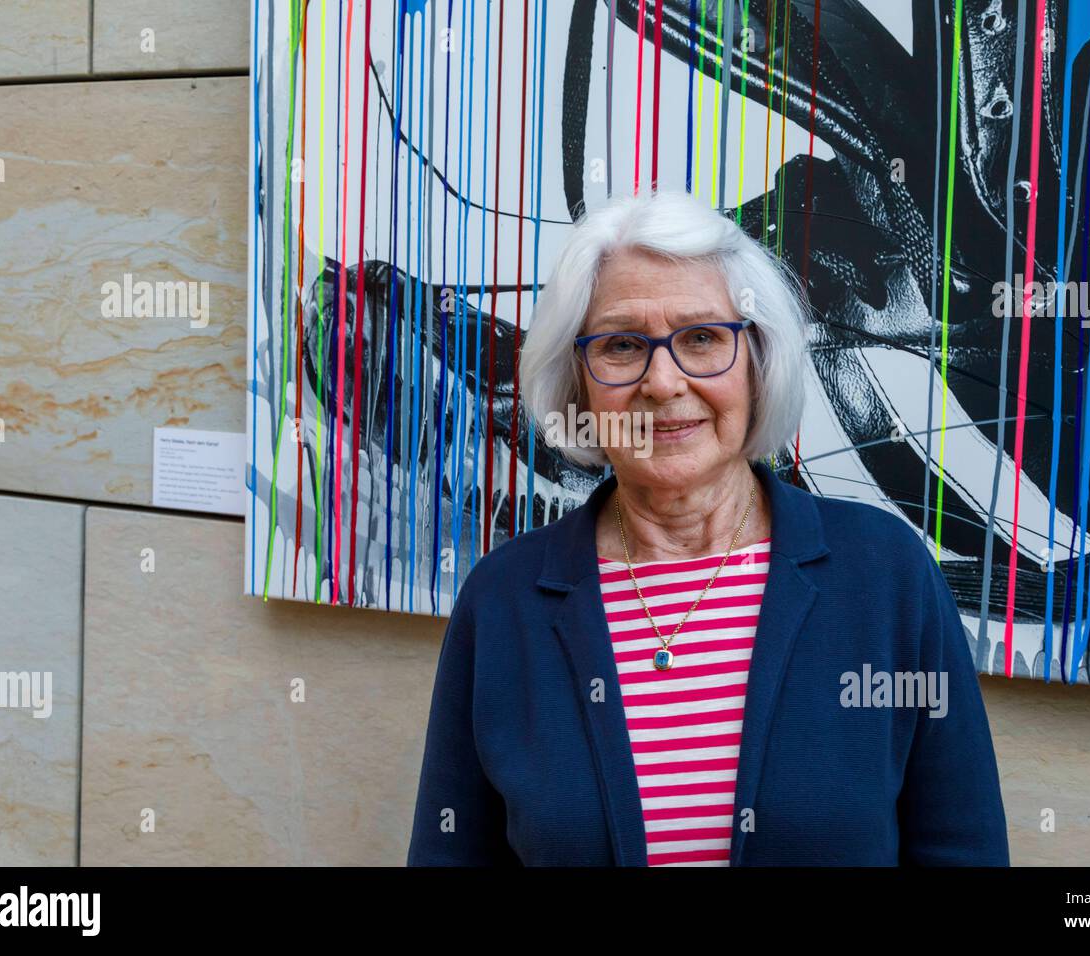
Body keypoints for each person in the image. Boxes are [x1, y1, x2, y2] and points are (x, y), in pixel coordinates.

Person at [406, 189, 1009, 866]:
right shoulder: (503, 603)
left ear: (757, 361)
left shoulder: (885, 577)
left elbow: (964, 850)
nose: (663, 382)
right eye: (622, 344)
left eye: (701, 338)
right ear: (577, 382)